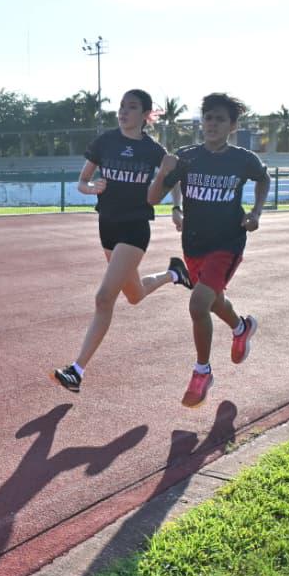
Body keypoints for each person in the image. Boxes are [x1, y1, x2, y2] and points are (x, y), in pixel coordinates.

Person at [51, 88, 191, 393]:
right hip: (107, 226)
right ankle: (174, 274)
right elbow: (81, 181)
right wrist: (92, 188)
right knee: (135, 295)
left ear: (145, 115)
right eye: (121, 107)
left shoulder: (153, 150)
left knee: (104, 298)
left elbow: (174, 178)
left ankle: (77, 370)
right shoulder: (105, 142)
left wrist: (177, 208)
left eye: (131, 107)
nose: (123, 112)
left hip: (135, 228)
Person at [148, 92, 269, 408]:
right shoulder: (187, 157)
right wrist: (174, 200)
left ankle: (202, 372)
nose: (213, 124)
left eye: (220, 119)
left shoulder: (242, 159)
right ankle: (241, 327)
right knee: (213, 301)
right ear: (202, 121)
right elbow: (155, 196)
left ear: (232, 125)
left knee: (198, 303)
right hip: (193, 242)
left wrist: (255, 212)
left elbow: (263, 178)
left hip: (227, 241)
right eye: (209, 117)